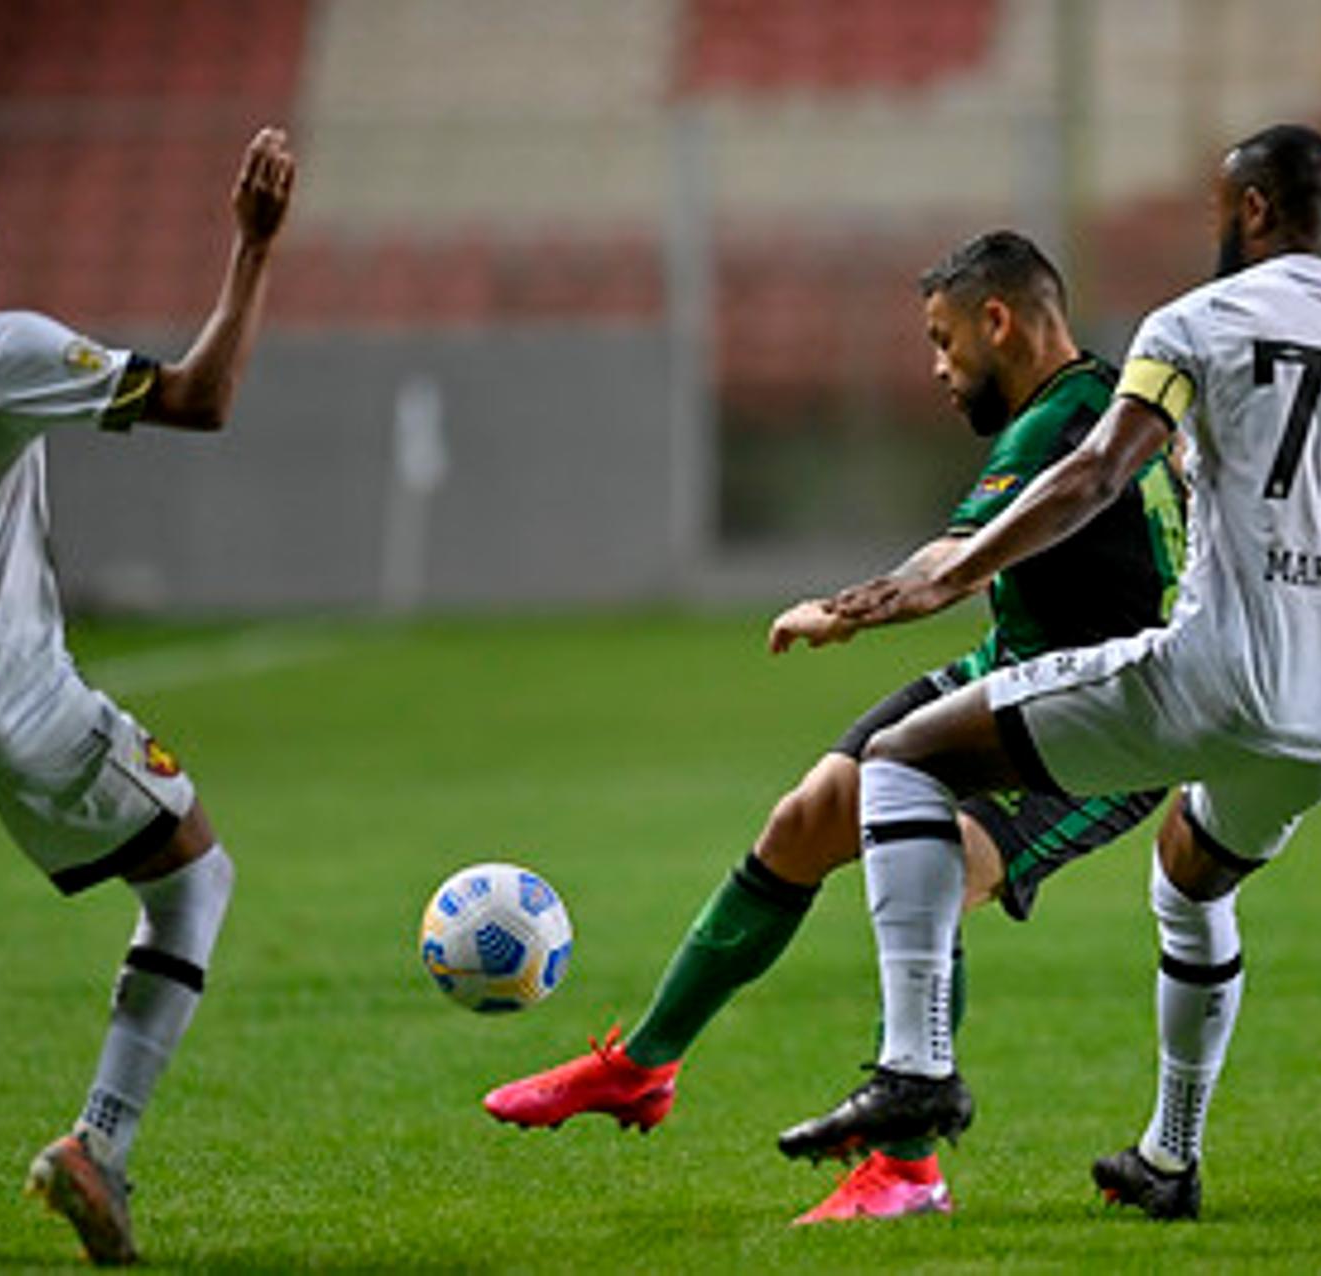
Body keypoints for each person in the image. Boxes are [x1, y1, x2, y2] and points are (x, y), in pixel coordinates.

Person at [774, 124, 1321, 1221]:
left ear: (1253, 208)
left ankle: (914, 1063)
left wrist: (946, 577)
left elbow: (1098, 472)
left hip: (1205, 679)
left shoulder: (1193, 324)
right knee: (1190, 879)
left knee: (902, 759)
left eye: (1221, 204)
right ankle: (1170, 1154)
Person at [482, 230, 1188, 1223]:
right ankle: (642, 1064)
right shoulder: (1094, 402)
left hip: (1107, 730)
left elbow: (956, 559)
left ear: (1000, 319)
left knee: (930, 866)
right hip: (1010, 674)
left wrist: (843, 609)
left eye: (944, 341)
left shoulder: (1067, 420)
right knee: (806, 819)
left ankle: (908, 1172)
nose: (937, 369)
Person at [0, 128, 295, 1264]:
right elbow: (201, 396)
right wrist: (251, 250)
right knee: (195, 877)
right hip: (10, 693)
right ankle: (101, 1144)